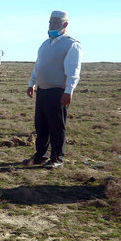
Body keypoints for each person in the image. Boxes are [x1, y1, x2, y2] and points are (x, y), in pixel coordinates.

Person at [24, 11, 82, 169]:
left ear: (65, 24)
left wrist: (69, 91)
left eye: (56, 22)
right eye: (50, 22)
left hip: (58, 91)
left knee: (56, 126)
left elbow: (73, 70)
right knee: (41, 125)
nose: (52, 25)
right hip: (42, 91)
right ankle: (40, 155)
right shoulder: (45, 44)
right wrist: (32, 83)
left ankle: (57, 158)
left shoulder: (71, 44)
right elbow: (38, 66)